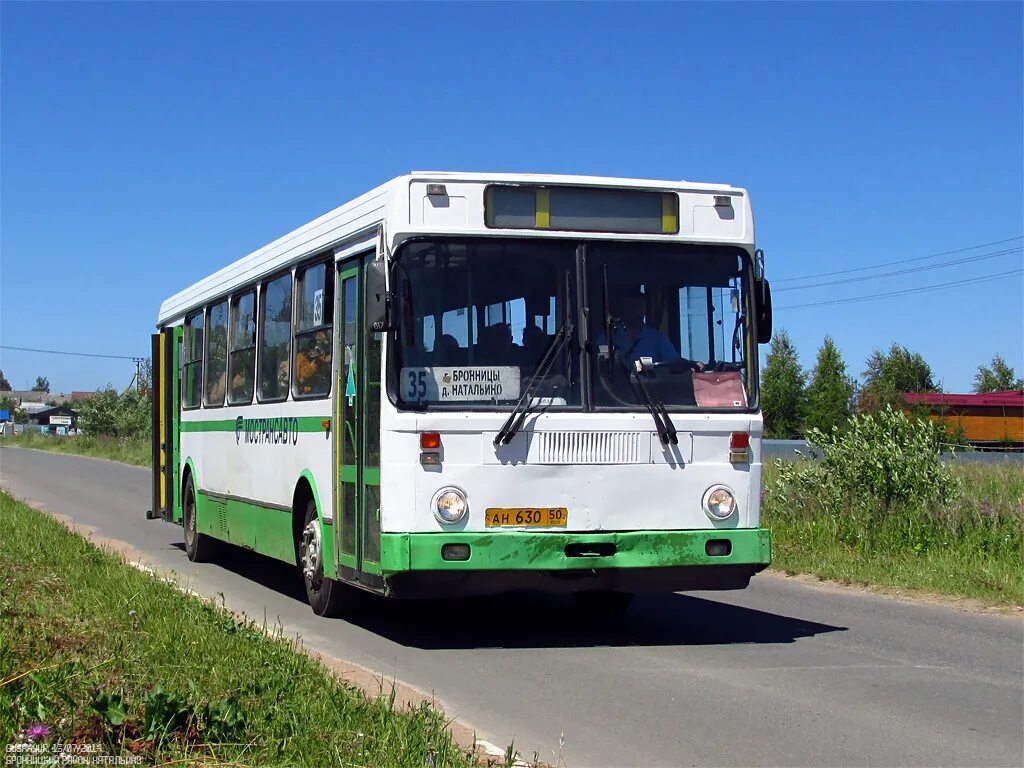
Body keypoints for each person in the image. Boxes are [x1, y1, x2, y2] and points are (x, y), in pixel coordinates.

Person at [600, 285, 704, 370]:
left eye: (640, 306)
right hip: (614, 393)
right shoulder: (607, 337)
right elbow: (597, 368)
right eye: (632, 306)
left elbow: (674, 362)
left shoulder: (657, 339)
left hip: (651, 393)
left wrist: (691, 364)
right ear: (621, 309)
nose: (637, 311)